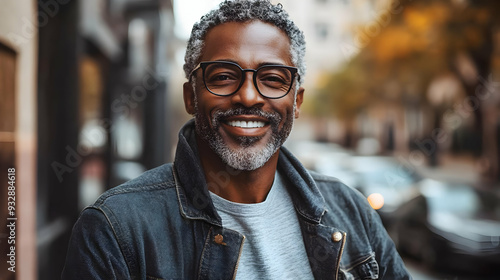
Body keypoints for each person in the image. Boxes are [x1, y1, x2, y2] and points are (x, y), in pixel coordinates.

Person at [62, 0, 411, 279]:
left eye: (273, 78)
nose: (247, 97)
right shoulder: (114, 229)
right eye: (224, 76)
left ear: (297, 101)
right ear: (191, 96)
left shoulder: (352, 212)